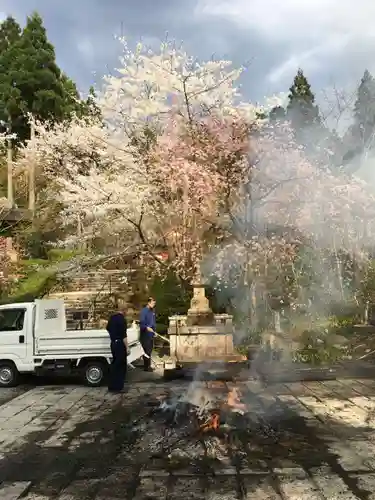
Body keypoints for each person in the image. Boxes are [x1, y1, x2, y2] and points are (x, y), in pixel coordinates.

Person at [106, 301, 129, 393]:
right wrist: (127, 347)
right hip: (120, 344)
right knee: (121, 366)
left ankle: (111, 385)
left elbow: (107, 328)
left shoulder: (112, 318)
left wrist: (113, 335)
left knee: (115, 365)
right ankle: (118, 387)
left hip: (113, 343)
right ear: (124, 310)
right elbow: (124, 335)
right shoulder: (122, 320)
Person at [139, 297, 156, 372]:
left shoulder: (152, 311)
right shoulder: (144, 311)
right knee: (146, 350)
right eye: (153, 303)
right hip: (145, 333)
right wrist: (146, 328)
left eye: (154, 303)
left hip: (151, 333)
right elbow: (142, 323)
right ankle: (146, 366)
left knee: (150, 349)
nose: (154, 305)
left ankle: (148, 365)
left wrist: (154, 331)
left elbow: (153, 322)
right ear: (148, 303)